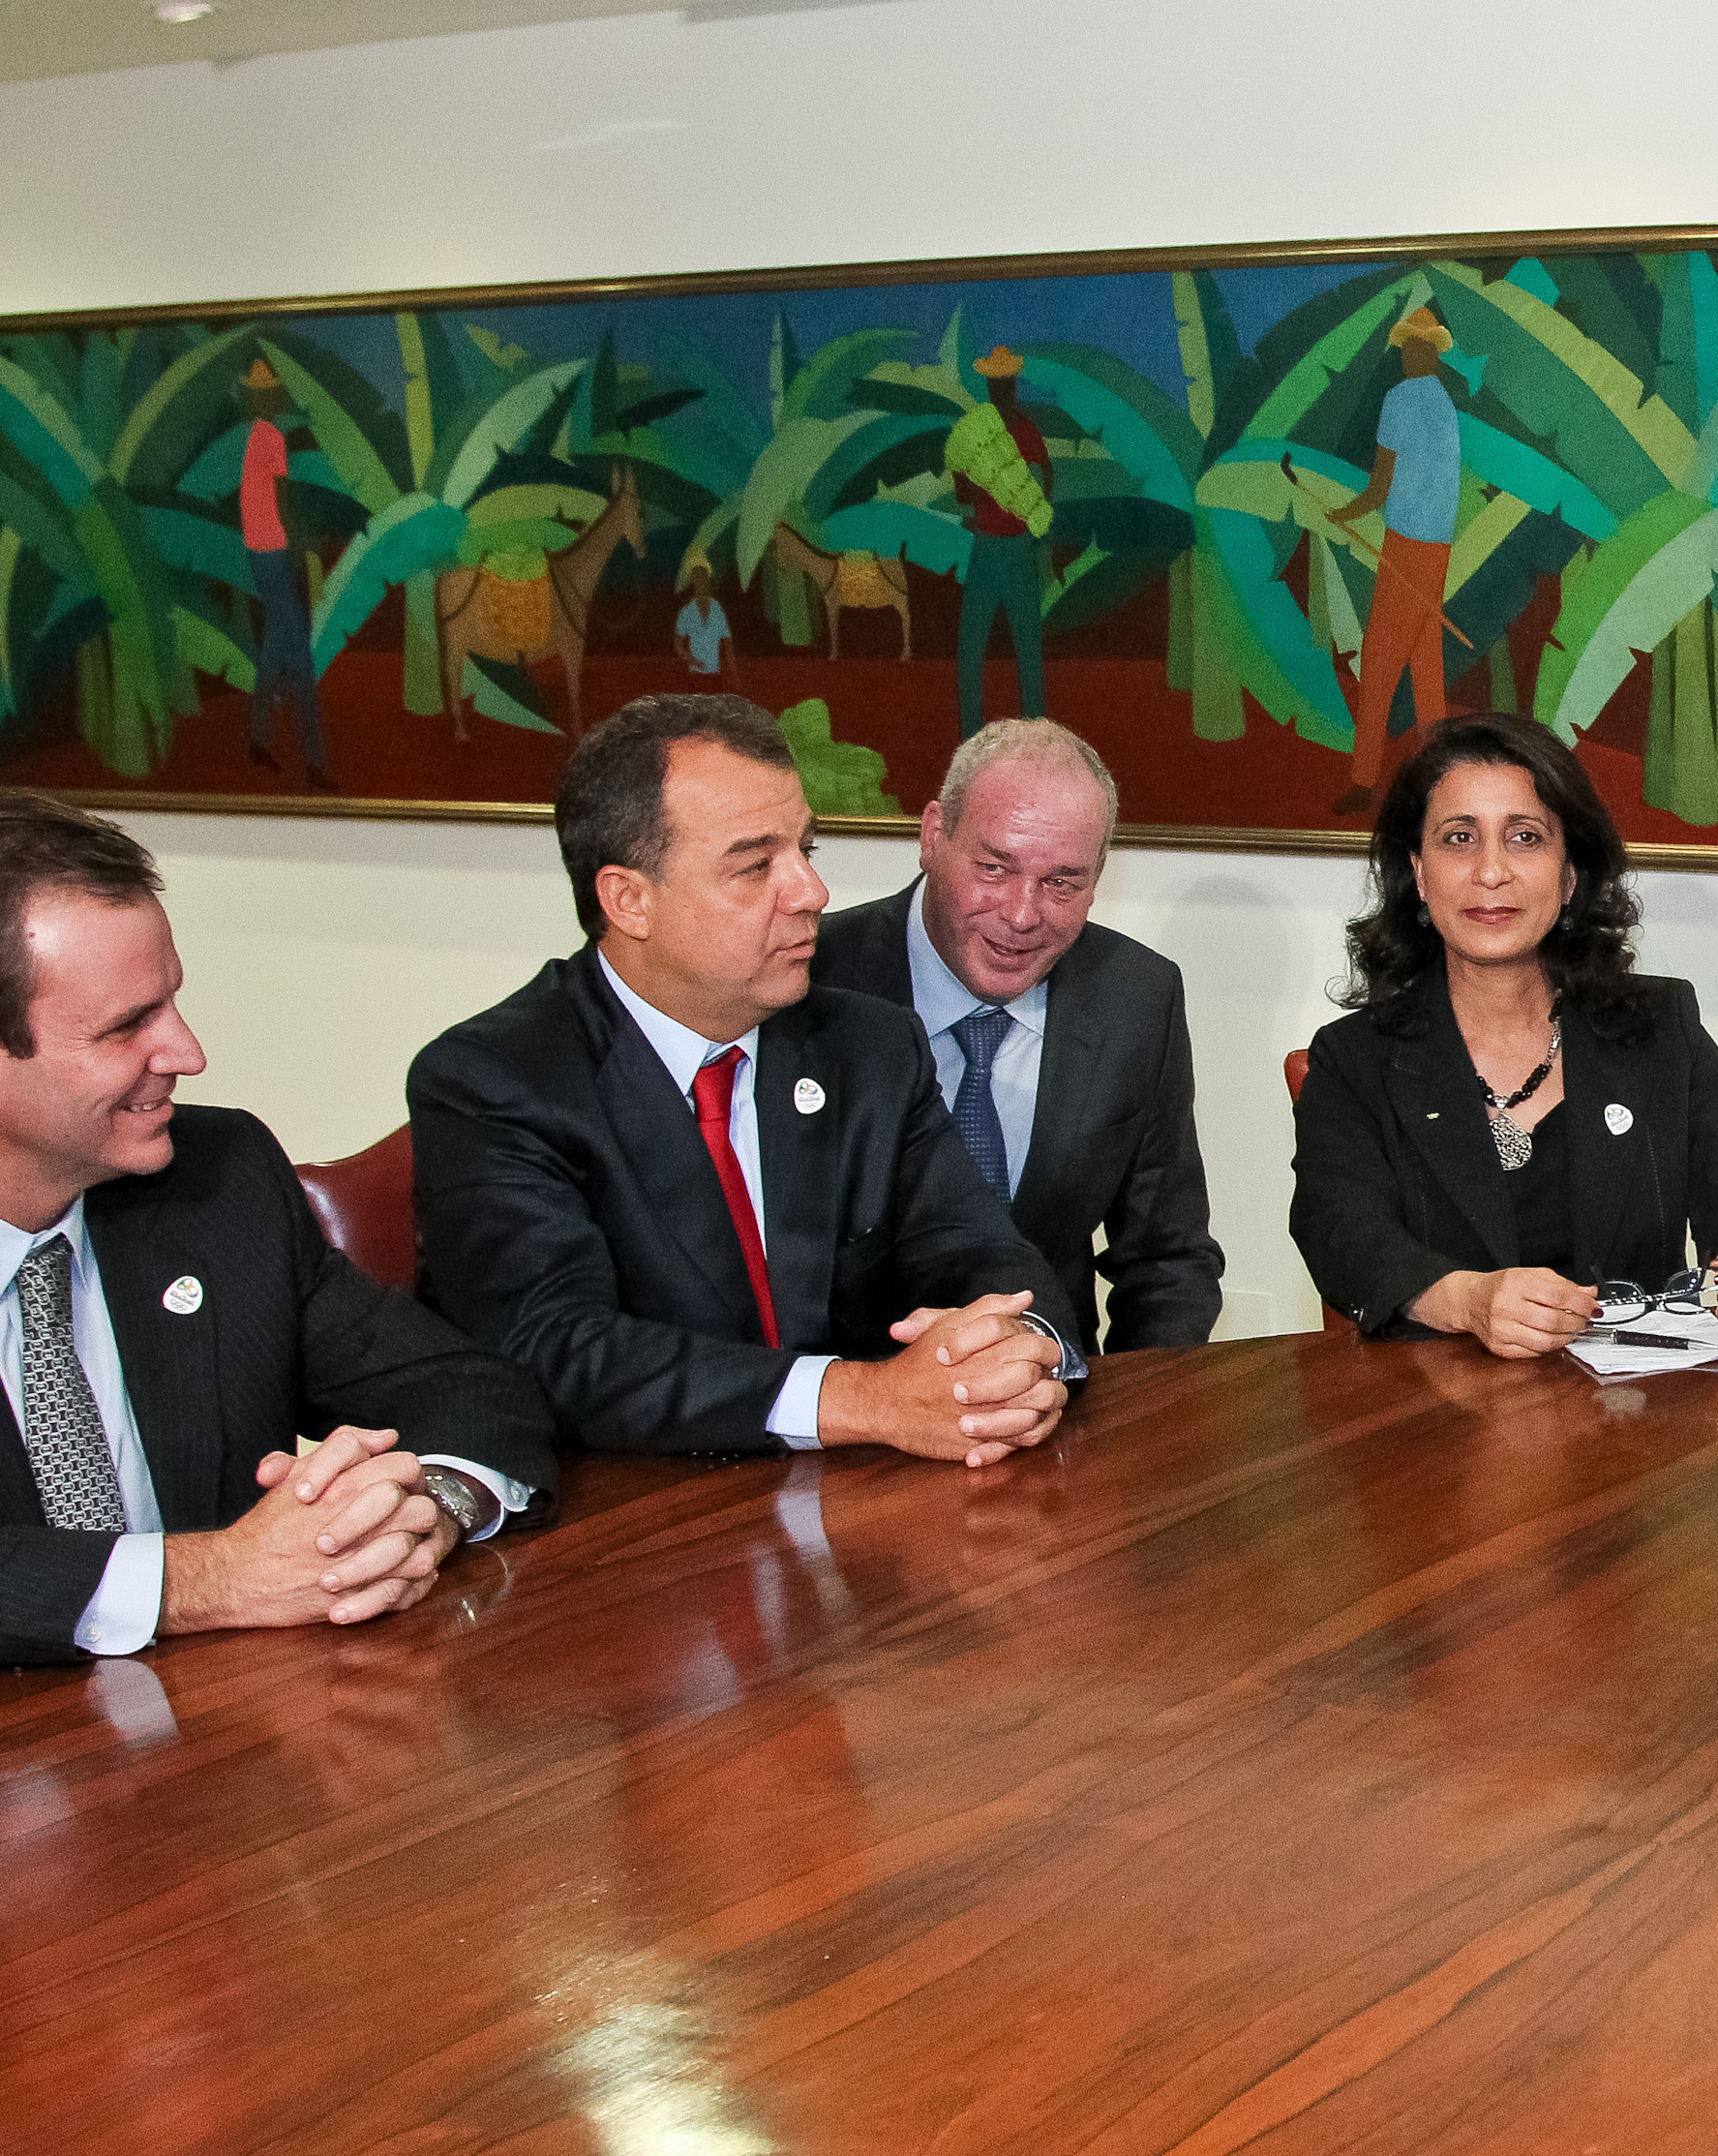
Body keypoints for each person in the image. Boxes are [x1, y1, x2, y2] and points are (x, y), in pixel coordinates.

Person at [0, 793, 553, 1674]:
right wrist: (196, 1579)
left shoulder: (217, 1178)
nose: (186, 1050)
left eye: (169, 1001)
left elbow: (470, 1385)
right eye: (126, 1025)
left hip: (221, 1740)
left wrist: (423, 1511)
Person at [407, 692, 1083, 1462]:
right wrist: (861, 1398)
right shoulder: (496, 1081)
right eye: (757, 865)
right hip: (632, 1529)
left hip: (855, 1522)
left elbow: (986, 1254)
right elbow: (558, 1350)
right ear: (628, 899)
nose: (811, 893)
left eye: (807, 850)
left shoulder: (867, 1047)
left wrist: (1014, 1352)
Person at [1291, 711, 1718, 1355]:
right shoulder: (1355, 1058)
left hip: (1639, 1422)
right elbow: (1340, 1233)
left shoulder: (1660, 1029)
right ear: (1418, 871)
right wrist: (1465, 1300)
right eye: (1458, 838)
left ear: (1569, 872)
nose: (1491, 871)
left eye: (1525, 836)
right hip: (1437, 1427)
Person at [810, 717, 1223, 1351]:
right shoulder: (812, 982)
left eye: (1062, 881)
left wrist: (1135, 1426)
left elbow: (1167, 1260)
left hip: (1052, 1401)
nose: (1023, 915)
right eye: (995, 867)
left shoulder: (1137, 997)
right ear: (931, 836)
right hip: (848, 1406)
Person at [1320, 302, 1462, 814]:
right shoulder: (1445, 405)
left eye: (1410, 348)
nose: (1406, 356)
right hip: (1438, 550)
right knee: (1425, 667)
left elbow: (1379, 487)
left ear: (1421, 352)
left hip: (1406, 546)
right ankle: (1441, 781)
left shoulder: (1400, 398)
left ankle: (1364, 779)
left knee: (1379, 666)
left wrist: (1343, 512)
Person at [235, 357, 333, 789]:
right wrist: (299, 546)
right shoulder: (271, 436)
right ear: (269, 398)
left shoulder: (253, 437)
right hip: (275, 553)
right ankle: (315, 765)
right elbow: (281, 498)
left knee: (275, 651)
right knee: (302, 661)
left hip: (259, 556)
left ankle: (258, 740)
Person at [948, 345, 1053, 735]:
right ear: (993, 390)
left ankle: (1029, 730)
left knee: (1019, 644)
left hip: (1010, 546)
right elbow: (961, 489)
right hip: (993, 547)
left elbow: (1045, 471)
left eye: (1004, 386)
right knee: (981, 646)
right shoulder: (984, 433)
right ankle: (976, 732)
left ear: (1010, 389)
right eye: (997, 387)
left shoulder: (1020, 431)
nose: (1002, 393)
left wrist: (1032, 509)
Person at [673, 560, 739, 686]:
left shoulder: (716, 609)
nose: (701, 582)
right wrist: (691, 660)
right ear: (693, 581)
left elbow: (727, 644)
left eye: (703, 578)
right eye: (697, 578)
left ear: (708, 581)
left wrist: (734, 676)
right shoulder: (687, 611)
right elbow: (677, 644)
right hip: (695, 676)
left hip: (715, 675)